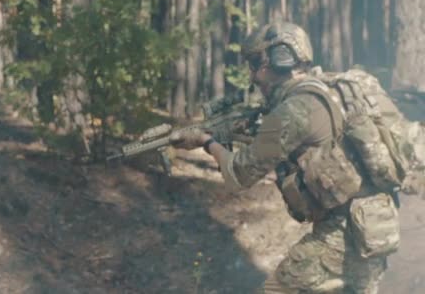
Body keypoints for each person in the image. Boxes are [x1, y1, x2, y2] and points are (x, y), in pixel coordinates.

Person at [170, 21, 401, 293]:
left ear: (281, 58)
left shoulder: (293, 110)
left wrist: (206, 142)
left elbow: (236, 175)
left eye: (256, 63)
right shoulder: (327, 88)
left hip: (340, 240)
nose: (253, 76)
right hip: (376, 229)